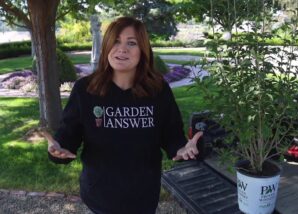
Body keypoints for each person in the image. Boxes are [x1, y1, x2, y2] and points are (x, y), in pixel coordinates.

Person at [43, 16, 203, 214]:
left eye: (132, 43)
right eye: (116, 41)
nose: (122, 49)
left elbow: (171, 135)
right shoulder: (85, 90)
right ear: (107, 46)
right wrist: (59, 149)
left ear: (143, 50)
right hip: (98, 197)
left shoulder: (158, 90)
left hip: (143, 197)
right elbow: (69, 135)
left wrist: (181, 149)